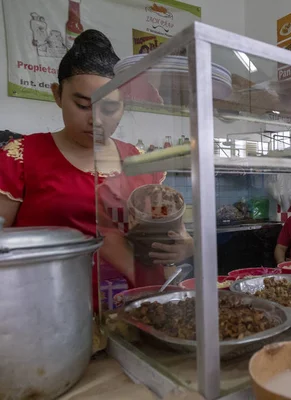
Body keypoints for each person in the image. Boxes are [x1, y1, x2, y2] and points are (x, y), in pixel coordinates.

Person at [0, 30, 191, 311]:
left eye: (110, 108)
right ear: (57, 95)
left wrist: (183, 247)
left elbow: (176, 237)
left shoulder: (140, 162)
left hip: (138, 313)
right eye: (82, 105)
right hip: (50, 314)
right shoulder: (21, 156)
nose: (97, 120)